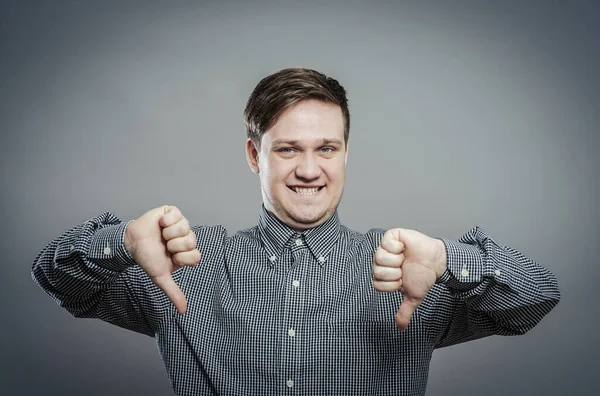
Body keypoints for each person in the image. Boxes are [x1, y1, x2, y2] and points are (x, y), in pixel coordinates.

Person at [31, 68, 561, 396]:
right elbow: (57, 277)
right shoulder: (181, 263)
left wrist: (449, 258)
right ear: (253, 155)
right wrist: (122, 242)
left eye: (326, 148)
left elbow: (538, 297)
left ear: (346, 154)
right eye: (288, 149)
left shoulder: (405, 267)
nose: (309, 170)